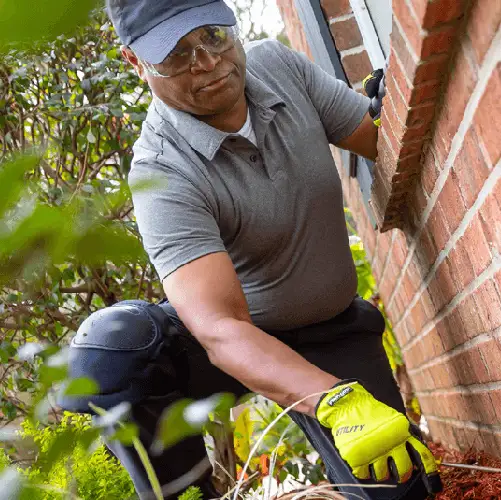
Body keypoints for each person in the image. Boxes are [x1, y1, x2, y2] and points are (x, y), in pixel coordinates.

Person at [59, 1, 442, 499]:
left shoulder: (278, 66)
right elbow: (220, 330)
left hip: (331, 329)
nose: (206, 62)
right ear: (136, 62)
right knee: (113, 350)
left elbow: (377, 141)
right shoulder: (161, 173)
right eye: (175, 54)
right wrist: (332, 399)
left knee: (402, 487)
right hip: (238, 341)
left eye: (213, 36)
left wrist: (396, 99)